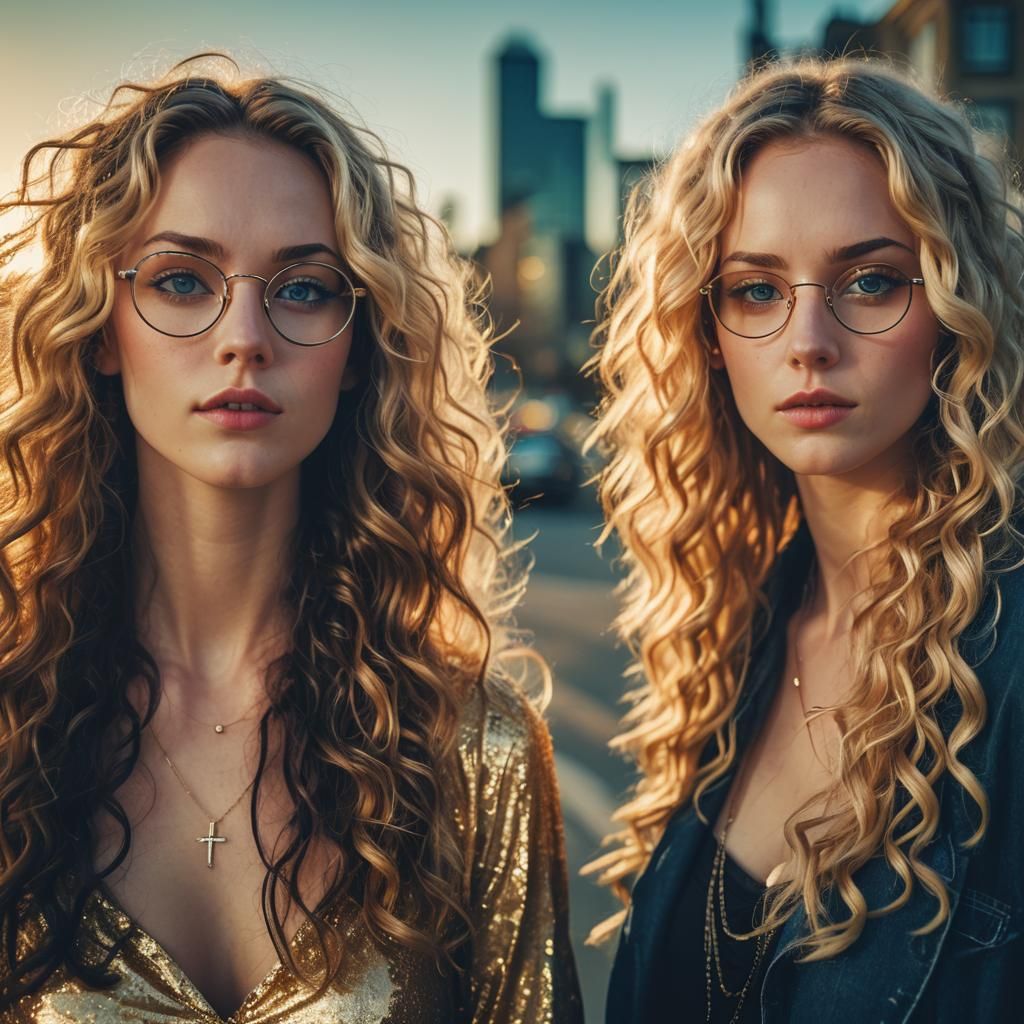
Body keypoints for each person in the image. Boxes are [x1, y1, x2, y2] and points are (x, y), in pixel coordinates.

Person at [0, 55, 582, 1023]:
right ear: (103, 329)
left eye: (303, 289)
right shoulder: (12, 726)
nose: (244, 335)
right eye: (183, 280)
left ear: (359, 347)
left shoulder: (474, 753)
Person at [585, 57, 1024, 1022]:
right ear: (706, 332)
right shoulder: (738, 630)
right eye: (754, 290)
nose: (808, 339)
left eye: (870, 281)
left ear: (958, 308)